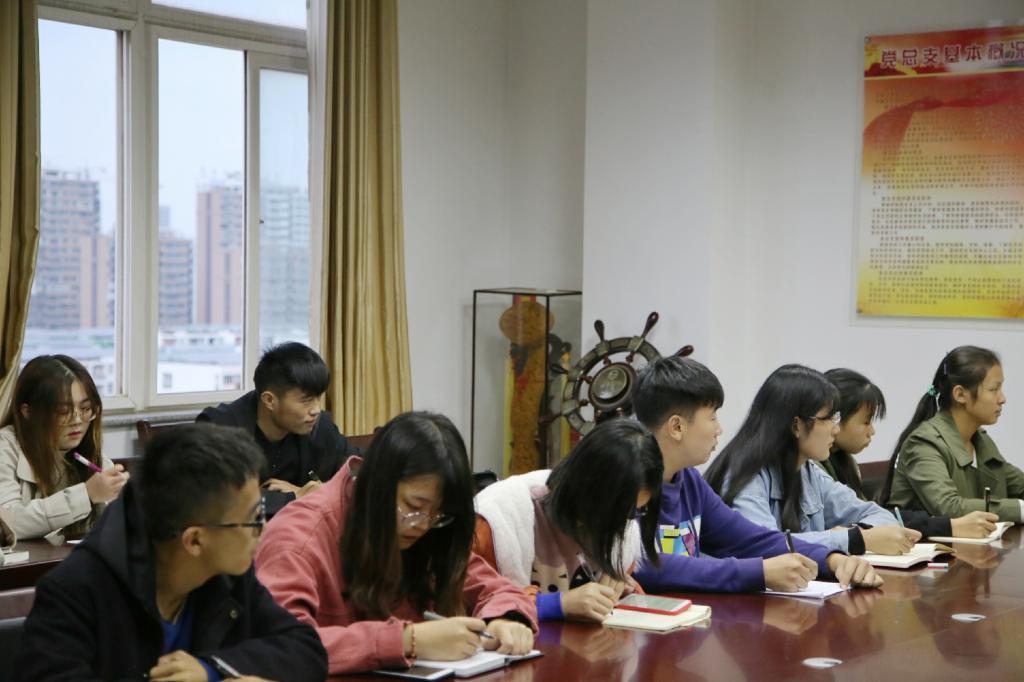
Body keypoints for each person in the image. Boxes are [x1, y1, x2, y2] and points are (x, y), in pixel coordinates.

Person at [14, 422, 327, 682]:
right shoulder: (75, 591)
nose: (263, 528)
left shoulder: (228, 574)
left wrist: (210, 669)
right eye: (253, 518)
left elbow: (305, 649)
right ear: (194, 541)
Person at [254, 411, 537, 676]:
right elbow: (280, 645)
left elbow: (497, 588)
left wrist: (506, 620)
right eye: (414, 506)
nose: (424, 525)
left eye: (439, 514)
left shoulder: (430, 531)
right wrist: (406, 640)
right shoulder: (301, 536)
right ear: (378, 484)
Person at [631, 356, 881, 594]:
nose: (719, 429)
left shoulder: (689, 481)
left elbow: (752, 539)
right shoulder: (624, 481)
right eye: (712, 417)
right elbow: (638, 562)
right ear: (677, 427)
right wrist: (758, 572)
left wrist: (831, 560)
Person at [706, 364, 920, 556]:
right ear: (796, 425)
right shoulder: (747, 477)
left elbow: (879, 515)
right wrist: (853, 539)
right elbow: (766, 546)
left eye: (837, 419)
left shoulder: (808, 471)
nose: (836, 430)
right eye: (829, 419)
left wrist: (857, 533)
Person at [474, 418, 662, 622]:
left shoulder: (621, 534)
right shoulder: (498, 520)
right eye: (621, 511)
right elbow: (474, 602)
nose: (624, 525)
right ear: (589, 487)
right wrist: (558, 604)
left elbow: (624, 590)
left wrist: (627, 591)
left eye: (634, 512)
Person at [824, 368, 997, 539]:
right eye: (866, 422)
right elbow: (858, 524)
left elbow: (870, 517)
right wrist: (949, 526)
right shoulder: (815, 469)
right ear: (836, 418)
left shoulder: (847, 463)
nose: (872, 431)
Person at [197, 341, 358, 515]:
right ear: (269, 400)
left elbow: (361, 467)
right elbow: (215, 495)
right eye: (306, 400)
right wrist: (294, 496)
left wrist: (318, 491)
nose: (316, 410)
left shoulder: (319, 427)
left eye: (318, 398)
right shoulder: (220, 429)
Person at [884, 346, 1024, 523]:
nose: (1002, 399)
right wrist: (1019, 509)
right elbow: (948, 507)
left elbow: (1017, 485)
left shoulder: (979, 438)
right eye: (994, 389)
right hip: (924, 540)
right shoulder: (923, 443)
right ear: (960, 394)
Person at [0, 355, 127, 540]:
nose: (77, 421)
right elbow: (9, 523)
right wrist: (86, 494)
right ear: (28, 412)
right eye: (63, 411)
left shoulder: (86, 451)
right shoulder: (5, 447)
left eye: (85, 409)